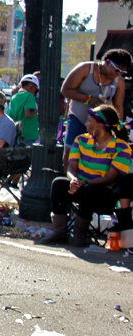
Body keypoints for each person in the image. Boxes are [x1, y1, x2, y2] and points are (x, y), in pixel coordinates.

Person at [41, 105, 131, 246]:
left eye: (90, 121)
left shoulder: (122, 147)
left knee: (90, 191)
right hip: (80, 186)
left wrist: (86, 183)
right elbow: (71, 167)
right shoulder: (81, 140)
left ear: (101, 125)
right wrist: (74, 180)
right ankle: (59, 232)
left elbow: (111, 177)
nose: (86, 124)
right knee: (59, 183)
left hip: (103, 192)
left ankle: (80, 233)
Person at [60, 49, 131, 169]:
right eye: (117, 69)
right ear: (107, 62)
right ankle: (70, 181)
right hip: (78, 117)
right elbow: (65, 90)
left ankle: (92, 179)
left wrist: (117, 126)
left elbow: (118, 106)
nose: (118, 74)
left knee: (99, 152)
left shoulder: (119, 82)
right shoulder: (85, 69)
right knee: (70, 149)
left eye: (122, 72)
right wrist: (88, 99)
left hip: (101, 123)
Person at [8, 74, 39, 145]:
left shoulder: (13, 97)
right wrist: (38, 111)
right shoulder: (29, 96)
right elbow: (27, 114)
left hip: (16, 135)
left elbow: (10, 117)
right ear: (31, 87)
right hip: (28, 135)